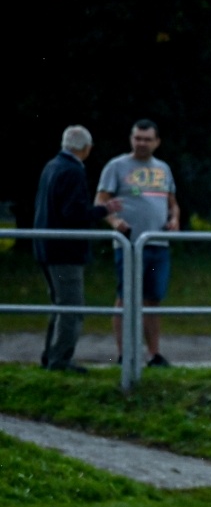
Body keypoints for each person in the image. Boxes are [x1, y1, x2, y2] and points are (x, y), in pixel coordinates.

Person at [32, 126, 122, 372]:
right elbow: (73, 213)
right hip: (64, 252)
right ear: (86, 148)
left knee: (60, 305)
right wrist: (104, 209)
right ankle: (60, 359)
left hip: (46, 248)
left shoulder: (52, 166)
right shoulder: (73, 171)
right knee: (72, 306)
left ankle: (50, 355)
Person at [98, 119, 179, 367]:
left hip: (157, 244)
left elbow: (172, 202)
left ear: (156, 142)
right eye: (137, 138)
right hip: (130, 245)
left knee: (153, 299)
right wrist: (115, 223)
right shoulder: (117, 166)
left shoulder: (163, 169)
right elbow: (101, 201)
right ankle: (124, 354)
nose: (141, 143)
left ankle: (154, 353)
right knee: (126, 296)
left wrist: (174, 219)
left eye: (146, 139)